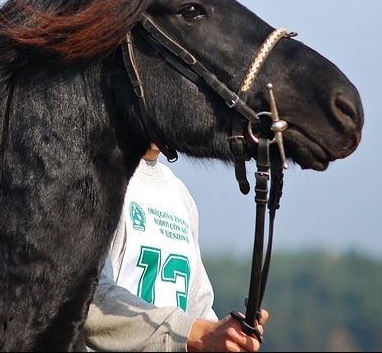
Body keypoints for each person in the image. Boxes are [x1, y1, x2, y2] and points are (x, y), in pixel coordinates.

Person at [84, 144, 269, 352]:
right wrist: (200, 334)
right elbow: (89, 299)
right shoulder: (93, 180)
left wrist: (229, 338)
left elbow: (198, 309)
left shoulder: (179, 194)